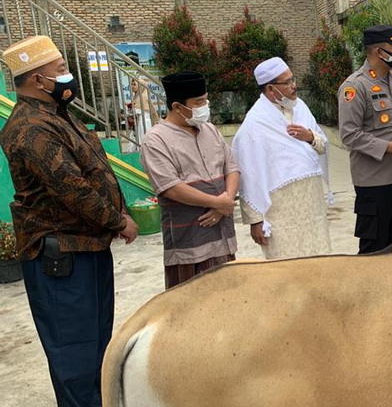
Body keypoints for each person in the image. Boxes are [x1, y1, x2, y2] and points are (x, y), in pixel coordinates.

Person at [0, 35, 139, 406]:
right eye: (61, 69)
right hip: (61, 259)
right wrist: (118, 221)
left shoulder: (56, 115)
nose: (68, 76)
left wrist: (118, 211)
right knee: (75, 359)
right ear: (37, 79)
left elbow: (93, 170)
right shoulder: (30, 127)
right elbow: (72, 188)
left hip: (86, 248)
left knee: (97, 350)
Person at [140, 71, 239, 289]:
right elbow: (171, 188)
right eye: (199, 102)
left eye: (206, 100)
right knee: (189, 301)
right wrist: (217, 203)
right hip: (189, 243)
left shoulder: (210, 130)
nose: (205, 106)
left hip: (223, 236)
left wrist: (225, 202)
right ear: (177, 107)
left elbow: (232, 168)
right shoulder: (155, 140)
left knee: (228, 298)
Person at [232, 57, 332, 259]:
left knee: (320, 260)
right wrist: (255, 220)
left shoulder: (300, 107)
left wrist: (309, 137)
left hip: (312, 202)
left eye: (293, 79)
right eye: (287, 82)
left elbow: (323, 146)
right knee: (286, 266)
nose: (294, 86)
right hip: (280, 210)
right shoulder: (255, 123)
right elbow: (249, 174)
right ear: (270, 89)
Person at [338, 25, 392, 254]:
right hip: (375, 183)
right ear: (379, 52)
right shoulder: (355, 86)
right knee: (374, 249)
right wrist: (390, 147)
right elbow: (349, 134)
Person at [128, 77, 157, 152]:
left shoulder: (143, 97)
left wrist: (130, 111)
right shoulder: (137, 96)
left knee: (143, 141)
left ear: (141, 86)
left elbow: (139, 111)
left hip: (143, 123)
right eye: (132, 84)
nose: (132, 86)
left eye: (134, 84)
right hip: (139, 122)